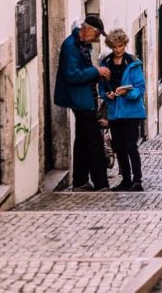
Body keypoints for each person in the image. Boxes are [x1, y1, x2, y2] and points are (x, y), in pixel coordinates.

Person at [55, 15, 111, 192]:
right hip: (81, 100)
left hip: (85, 97)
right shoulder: (71, 46)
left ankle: (79, 181)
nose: (96, 38)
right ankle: (101, 183)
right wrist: (96, 71)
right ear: (86, 29)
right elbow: (72, 75)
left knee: (82, 140)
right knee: (94, 140)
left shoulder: (81, 44)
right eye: (96, 34)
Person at [98, 29, 147, 192]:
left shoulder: (133, 63)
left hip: (132, 112)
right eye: (115, 47)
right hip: (114, 112)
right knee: (118, 146)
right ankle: (125, 180)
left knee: (130, 146)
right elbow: (102, 86)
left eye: (121, 46)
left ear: (125, 45)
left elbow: (140, 88)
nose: (118, 49)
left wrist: (127, 93)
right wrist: (107, 95)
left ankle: (137, 180)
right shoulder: (106, 63)